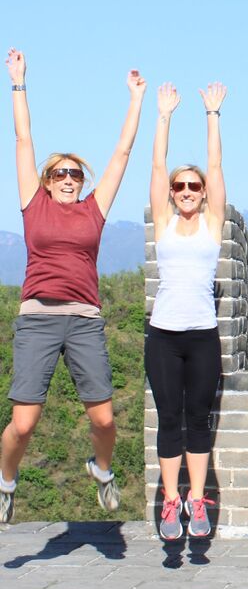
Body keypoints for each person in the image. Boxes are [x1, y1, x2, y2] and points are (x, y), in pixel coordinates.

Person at [0, 49, 144, 523]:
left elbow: (121, 155)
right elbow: (23, 139)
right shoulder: (32, 204)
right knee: (23, 425)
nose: (69, 178)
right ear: (46, 180)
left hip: (83, 320)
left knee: (104, 420)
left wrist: (136, 100)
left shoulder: (93, 209)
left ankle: (101, 471)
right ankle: (5, 483)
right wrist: (18, 81)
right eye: (60, 173)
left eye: (75, 173)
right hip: (38, 319)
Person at [145, 81, 227, 540]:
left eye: (194, 186)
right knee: (169, 419)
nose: (188, 190)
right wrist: (164, 115)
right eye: (181, 186)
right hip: (163, 335)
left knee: (199, 419)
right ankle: (170, 501)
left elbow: (215, 166)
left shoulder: (213, 224)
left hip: (202, 336)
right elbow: (157, 165)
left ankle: (198, 500)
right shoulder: (165, 222)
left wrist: (211, 116)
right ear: (173, 193)